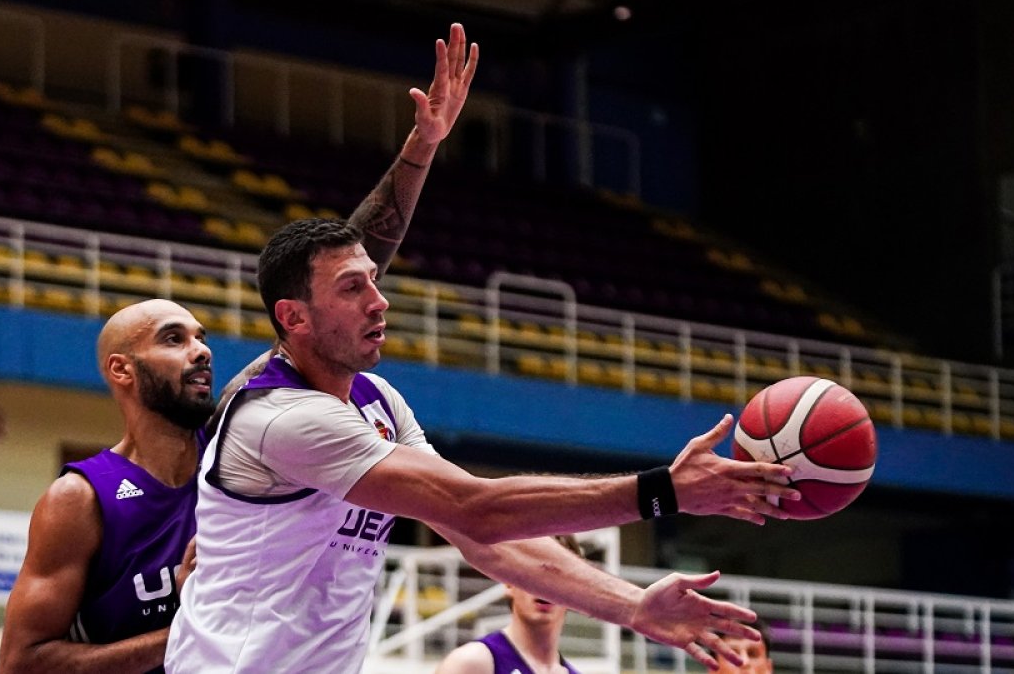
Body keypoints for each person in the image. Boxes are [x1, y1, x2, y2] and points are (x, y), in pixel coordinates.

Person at [0, 22, 480, 674]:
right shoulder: (81, 499)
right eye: (173, 339)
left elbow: (332, 286)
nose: (201, 350)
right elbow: (22, 662)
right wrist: (182, 635)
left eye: (201, 335)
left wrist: (421, 150)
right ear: (122, 369)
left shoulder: (244, 432)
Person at [165, 217, 802, 674]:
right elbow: (478, 508)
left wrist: (634, 606)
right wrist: (664, 491)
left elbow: (480, 537)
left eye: (374, 282)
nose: (379, 301)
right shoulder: (279, 419)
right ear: (293, 318)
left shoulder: (379, 403)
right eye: (352, 289)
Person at [435, 535, 588, 674]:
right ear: (508, 582)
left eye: (558, 575)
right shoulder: (470, 663)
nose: (545, 588)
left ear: (573, 591)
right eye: (535, 573)